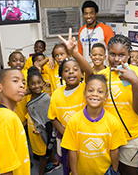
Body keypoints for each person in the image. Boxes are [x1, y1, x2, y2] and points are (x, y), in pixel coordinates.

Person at [98, 34, 138, 175]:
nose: (117, 59)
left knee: (133, 172)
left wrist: (135, 82)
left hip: (133, 137)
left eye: (122, 55)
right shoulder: (102, 75)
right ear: (107, 54)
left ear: (128, 55)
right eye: (112, 54)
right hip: (109, 137)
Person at [61, 74, 127, 174]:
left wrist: (114, 171)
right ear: (84, 94)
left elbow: (114, 151)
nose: (95, 94)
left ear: (106, 97)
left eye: (100, 91)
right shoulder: (74, 120)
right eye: (90, 90)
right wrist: (74, 173)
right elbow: (72, 150)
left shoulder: (113, 122)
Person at [48, 30, 93, 175]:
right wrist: (64, 131)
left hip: (85, 136)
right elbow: (52, 117)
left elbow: (90, 72)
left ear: (81, 74)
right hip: (66, 138)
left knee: (85, 165)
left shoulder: (85, 89)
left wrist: (74, 53)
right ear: (61, 75)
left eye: (75, 69)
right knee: (68, 167)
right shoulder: (56, 94)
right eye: (66, 70)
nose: (71, 72)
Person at [0, 68, 30, 175]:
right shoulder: (5, 118)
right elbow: (5, 170)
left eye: (23, 82)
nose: (22, 85)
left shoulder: (8, 115)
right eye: (15, 81)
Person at [25, 67, 60, 175]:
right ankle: (55, 161)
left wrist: (40, 129)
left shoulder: (45, 98)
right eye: (33, 84)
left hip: (41, 132)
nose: (36, 86)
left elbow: (49, 119)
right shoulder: (30, 97)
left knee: (43, 155)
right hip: (33, 130)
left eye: (39, 82)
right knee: (43, 151)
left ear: (43, 83)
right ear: (29, 86)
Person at [78, 0, 113, 64]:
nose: (88, 16)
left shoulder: (106, 29)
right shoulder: (81, 30)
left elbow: (112, 50)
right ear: (83, 14)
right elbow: (80, 51)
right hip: (87, 69)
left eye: (91, 13)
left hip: (102, 69)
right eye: (86, 13)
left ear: (96, 13)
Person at [7, 51, 29, 124]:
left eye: (21, 60)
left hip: (26, 115)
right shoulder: (6, 77)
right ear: (8, 63)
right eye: (14, 60)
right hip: (14, 117)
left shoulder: (27, 74)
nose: (18, 62)